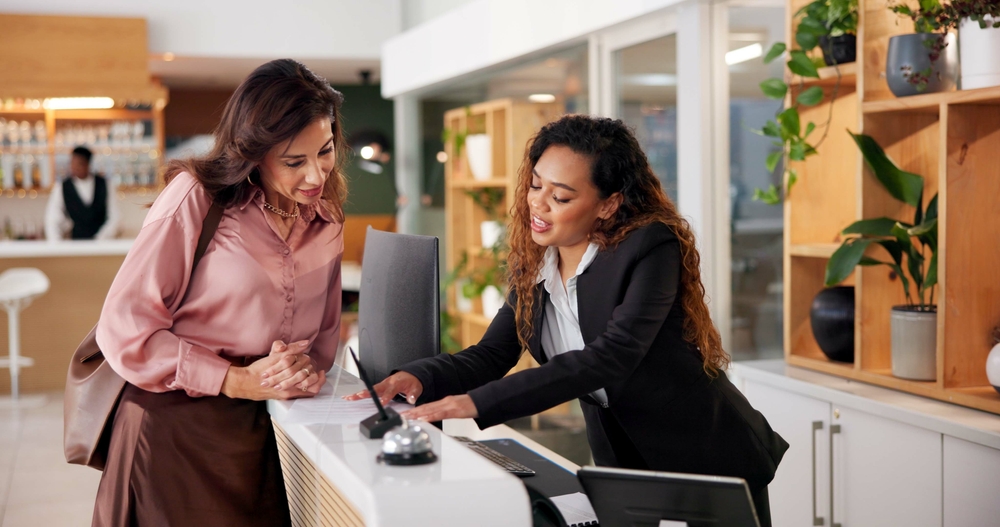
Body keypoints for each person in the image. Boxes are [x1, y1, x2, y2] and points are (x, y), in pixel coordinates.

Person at [348, 115, 789, 526]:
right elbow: (492, 354)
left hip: (707, 452)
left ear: (608, 204)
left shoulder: (650, 248)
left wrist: (476, 403)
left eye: (560, 197)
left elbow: (611, 357)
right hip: (624, 464)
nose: (538, 204)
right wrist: (419, 377)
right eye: (535, 185)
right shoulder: (535, 267)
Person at [92, 59, 348, 527]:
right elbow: (125, 327)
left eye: (325, 151)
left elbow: (323, 340)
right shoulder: (196, 197)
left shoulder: (326, 221)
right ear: (253, 152)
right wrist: (235, 379)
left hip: (261, 432)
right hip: (172, 432)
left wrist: (303, 370)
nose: (316, 176)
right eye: (294, 162)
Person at [44, 146, 120, 240]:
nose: (74, 167)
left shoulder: (105, 184)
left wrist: (101, 238)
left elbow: (115, 217)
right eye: (72, 163)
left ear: (88, 164)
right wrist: (56, 243)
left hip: (102, 244)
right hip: (75, 244)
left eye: (79, 164)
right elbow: (52, 219)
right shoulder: (61, 187)